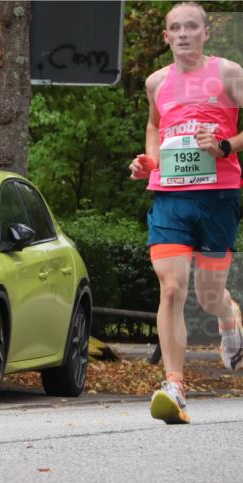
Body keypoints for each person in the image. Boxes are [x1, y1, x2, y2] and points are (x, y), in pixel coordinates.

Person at [129, 1, 243, 425]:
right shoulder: (156, 82)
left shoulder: (228, 73)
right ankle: (174, 385)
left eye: (191, 27)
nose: (182, 34)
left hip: (218, 197)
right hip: (170, 198)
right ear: (166, 37)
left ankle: (229, 315)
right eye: (175, 28)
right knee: (172, 289)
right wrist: (150, 161)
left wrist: (226, 146)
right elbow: (154, 125)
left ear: (205, 32)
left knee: (208, 296)